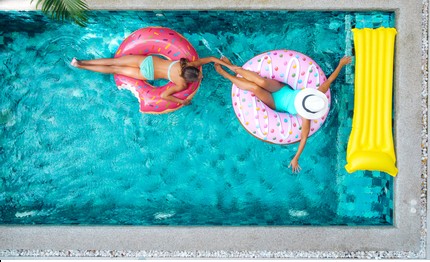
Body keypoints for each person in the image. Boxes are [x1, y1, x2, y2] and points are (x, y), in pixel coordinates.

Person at [214, 56, 352, 173]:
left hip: (274, 102)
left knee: (255, 88)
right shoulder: (317, 94)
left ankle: (225, 74)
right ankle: (230, 66)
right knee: (261, 81)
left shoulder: (306, 116)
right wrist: (340, 64)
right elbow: (329, 80)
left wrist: (296, 157)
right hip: (281, 88)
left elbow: (304, 138)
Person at [71, 55, 231, 105]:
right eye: (200, 76)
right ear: (190, 80)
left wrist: (224, 63)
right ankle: (81, 66)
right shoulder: (181, 84)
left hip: (146, 62)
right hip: (147, 74)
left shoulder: (187, 64)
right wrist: (182, 102)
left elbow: (210, 58)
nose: (201, 75)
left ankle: (79, 62)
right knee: (115, 70)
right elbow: (164, 96)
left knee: (114, 62)